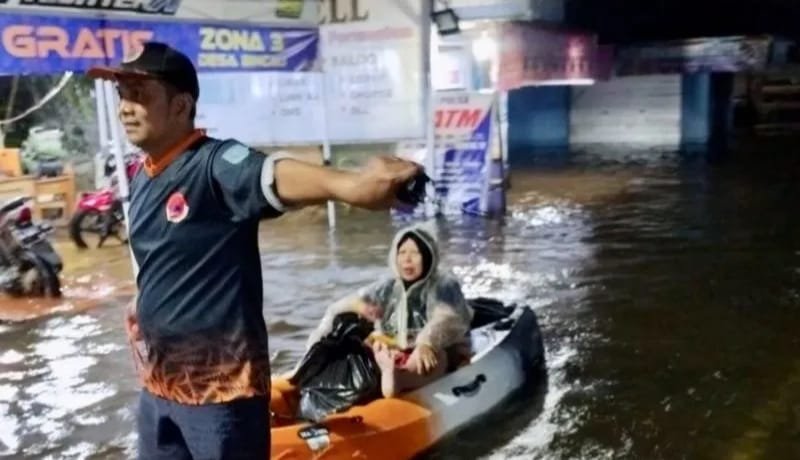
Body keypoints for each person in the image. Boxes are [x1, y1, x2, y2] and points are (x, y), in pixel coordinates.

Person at [86, 41, 422, 460]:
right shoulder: (141, 178)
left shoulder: (214, 165)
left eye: (140, 94)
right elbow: (165, 257)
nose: (126, 108)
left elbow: (272, 174)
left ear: (180, 106)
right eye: (123, 95)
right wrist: (146, 303)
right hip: (158, 388)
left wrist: (349, 186)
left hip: (220, 394)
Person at [304, 224, 473, 397]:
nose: (407, 259)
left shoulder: (443, 285)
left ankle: (398, 378)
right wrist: (360, 306)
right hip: (392, 348)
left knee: (432, 360)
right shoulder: (388, 286)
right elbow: (343, 305)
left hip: (428, 350)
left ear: (428, 257)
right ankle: (313, 372)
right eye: (402, 253)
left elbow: (447, 318)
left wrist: (427, 342)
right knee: (358, 343)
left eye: (415, 253)